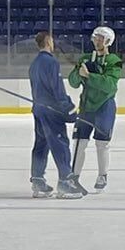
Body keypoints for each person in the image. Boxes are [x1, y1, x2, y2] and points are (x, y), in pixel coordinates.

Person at [28, 30, 86, 199]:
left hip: (38, 109)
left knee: (41, 145)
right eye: (52, 41)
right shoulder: (51, 63)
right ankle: (65, 182)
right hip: (51, 111)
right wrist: (67, 107)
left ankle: (37, 181)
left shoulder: (35, 63)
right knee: (60, 143)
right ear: (47, 42)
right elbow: (57, 88)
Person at [68, 25, 123, 191]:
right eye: (95, 37)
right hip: (86, 106)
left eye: (100, 38)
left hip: (105, 107)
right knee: (79, 141)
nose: (97, 40)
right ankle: (74, 176)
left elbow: (109, 86)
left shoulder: (115, 61)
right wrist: (79, 73)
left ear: (108, 41)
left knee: (102, 143)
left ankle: (102, 174)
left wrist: (90, 76)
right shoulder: (85, 58)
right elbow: (73, 82)